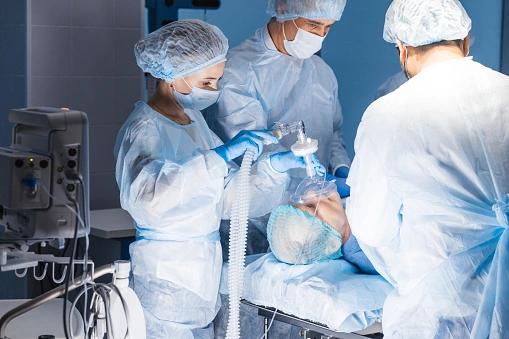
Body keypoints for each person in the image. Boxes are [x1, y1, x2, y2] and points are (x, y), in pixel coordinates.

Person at [114, 19, 321, 338]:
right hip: (165, 281)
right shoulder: (144, 128)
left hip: (202, 278)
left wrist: (273, 168)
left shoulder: (193, 120)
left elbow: (227, 198)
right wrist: (220, 156)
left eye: (217, 81)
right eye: (207, 82)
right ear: (173, 75)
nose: (215, 90)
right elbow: (148, 198)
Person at [346, 0, 509, 337]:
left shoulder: (388, 114)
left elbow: (374, 229)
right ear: (465, 41)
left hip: (440, 308)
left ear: (402, 50)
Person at [205, 0, 352, 256]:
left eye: (327, 28)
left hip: (314, 224)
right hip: (255, 221)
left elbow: (333, 133)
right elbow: (248, 152)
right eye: (313, 24)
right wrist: (287, 174)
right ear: (284, 9)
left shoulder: (322, 72)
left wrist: (341, 169)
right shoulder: (239, 71)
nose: (319, 36)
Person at [267, 191, 377, 274]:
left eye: (299, 201)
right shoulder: (373, 250)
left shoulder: (343, 218)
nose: (310, 193)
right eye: (312, 206)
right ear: (331, 242)